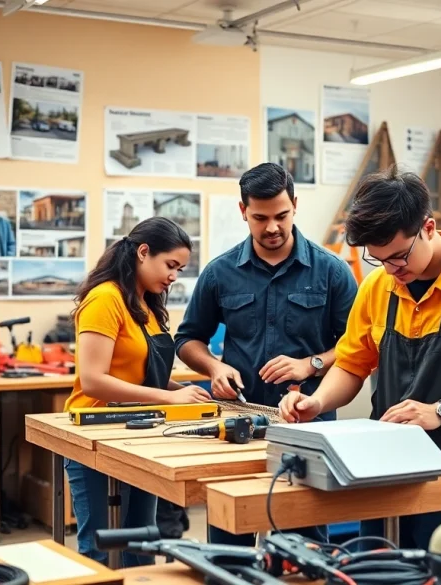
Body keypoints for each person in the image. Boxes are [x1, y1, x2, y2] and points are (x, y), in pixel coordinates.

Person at [278, 166, 441, 549]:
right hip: (386, 467)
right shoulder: (378, 287)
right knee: (378, 570)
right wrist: (317, 401)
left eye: (399, 257)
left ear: (428, 228)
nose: (392, 270)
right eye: (379, 259)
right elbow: (352, 363)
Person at [174, 162, 358, 545]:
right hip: (237, 425)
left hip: (306, 428)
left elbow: (360, 345)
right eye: (260, 217)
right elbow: (187, 339)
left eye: (281, 215)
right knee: (228, 542)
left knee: (304, 544)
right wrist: (214, 367)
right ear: (243, 211)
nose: (272, 227)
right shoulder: (219, 272)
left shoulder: (332, 271)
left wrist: (313, 363)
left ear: (295, 204)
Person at [64, 217, 208, 567]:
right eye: (170, 265)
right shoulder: (105, 298)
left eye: (181, 268)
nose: (174, 276)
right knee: (97, 546)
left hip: (139, 430)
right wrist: (170, 397)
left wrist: (183, 389)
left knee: (143, 539)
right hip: (94, 430)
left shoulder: (148, 304)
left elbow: (142, 376)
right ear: (143, 252)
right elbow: (93, 380)